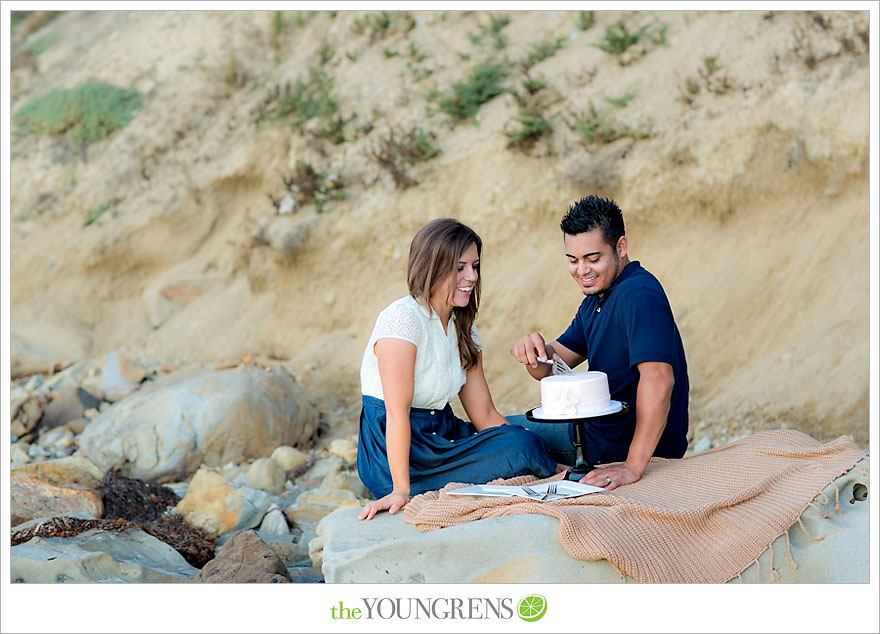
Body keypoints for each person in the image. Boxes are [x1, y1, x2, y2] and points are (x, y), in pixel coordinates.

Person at [357, 218, 557, 520]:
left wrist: (526, 443)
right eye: (460, 267)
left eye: (475, 266)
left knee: (539, 434)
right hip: (397, 452)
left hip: (443, 436)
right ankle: (540, 462)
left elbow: (485, 415)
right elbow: (397, 414)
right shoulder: (402, 320)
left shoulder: (463, 328)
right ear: (433, 268)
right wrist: (400, 490)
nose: (472, 276)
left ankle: (540, 458)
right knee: (524, 445)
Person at [511, 195, 689, 491]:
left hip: (613, 448)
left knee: (504, 437)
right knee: (500, 432)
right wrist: (534, 352)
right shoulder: (597, 300)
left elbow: (659, 380)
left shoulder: (638, 294)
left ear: (621, 247)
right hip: (589, 433)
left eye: (593, 259)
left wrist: (632, 467)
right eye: (573, 260)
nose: (582, 270)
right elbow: (551, 368)